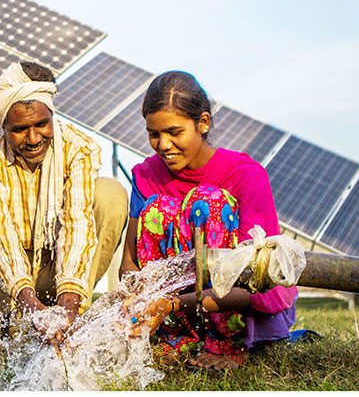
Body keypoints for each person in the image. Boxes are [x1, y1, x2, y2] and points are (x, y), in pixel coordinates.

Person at [119, 70, 298, 370]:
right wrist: (137, 300)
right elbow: (130, 263)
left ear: (202, 123)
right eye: (154, 134)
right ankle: (172, 337)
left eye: (174, 132)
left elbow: (257, 280)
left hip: (240, 306)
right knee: (159, 210)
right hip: (169, 311)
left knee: (207, 204)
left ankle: (227, 343)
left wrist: (172, 303)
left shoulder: (244, 175)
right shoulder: (146, 175)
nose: (163, 145)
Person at [0, 61, 128, 337]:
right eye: (19, 129)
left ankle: (74, 317)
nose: (33, 137)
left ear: (52, 115)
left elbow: (78, 223)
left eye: (42, 124)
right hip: (7, 271)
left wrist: (68, 301)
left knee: (110, 194)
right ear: (2, 125)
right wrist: (27, 302)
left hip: (59, 263)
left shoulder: (79, 148)